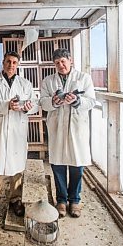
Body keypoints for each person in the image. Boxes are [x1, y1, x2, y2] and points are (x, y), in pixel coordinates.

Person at [39, 48, 96, 218]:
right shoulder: (49, 81)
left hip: (77, 127)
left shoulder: (83, 78)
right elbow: (42, 102)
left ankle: (75, 200)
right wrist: (54, 102)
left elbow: (91, 101)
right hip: (57, 127)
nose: (61, 65)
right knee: (58, 165)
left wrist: (77, 100)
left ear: (70, 60)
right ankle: (61, 201)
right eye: (57, 63)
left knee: (77, 165)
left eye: (63, 61)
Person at [0, 51, 38, 217]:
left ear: (18, 64)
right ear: (3, 62)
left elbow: (34, 103)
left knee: (17, 167)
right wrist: (7, 105)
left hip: (17, 130)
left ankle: (15, 199)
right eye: (8, 61)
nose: (11, 65)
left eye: (14, 62)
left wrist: (29, 107)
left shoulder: (25, 84)